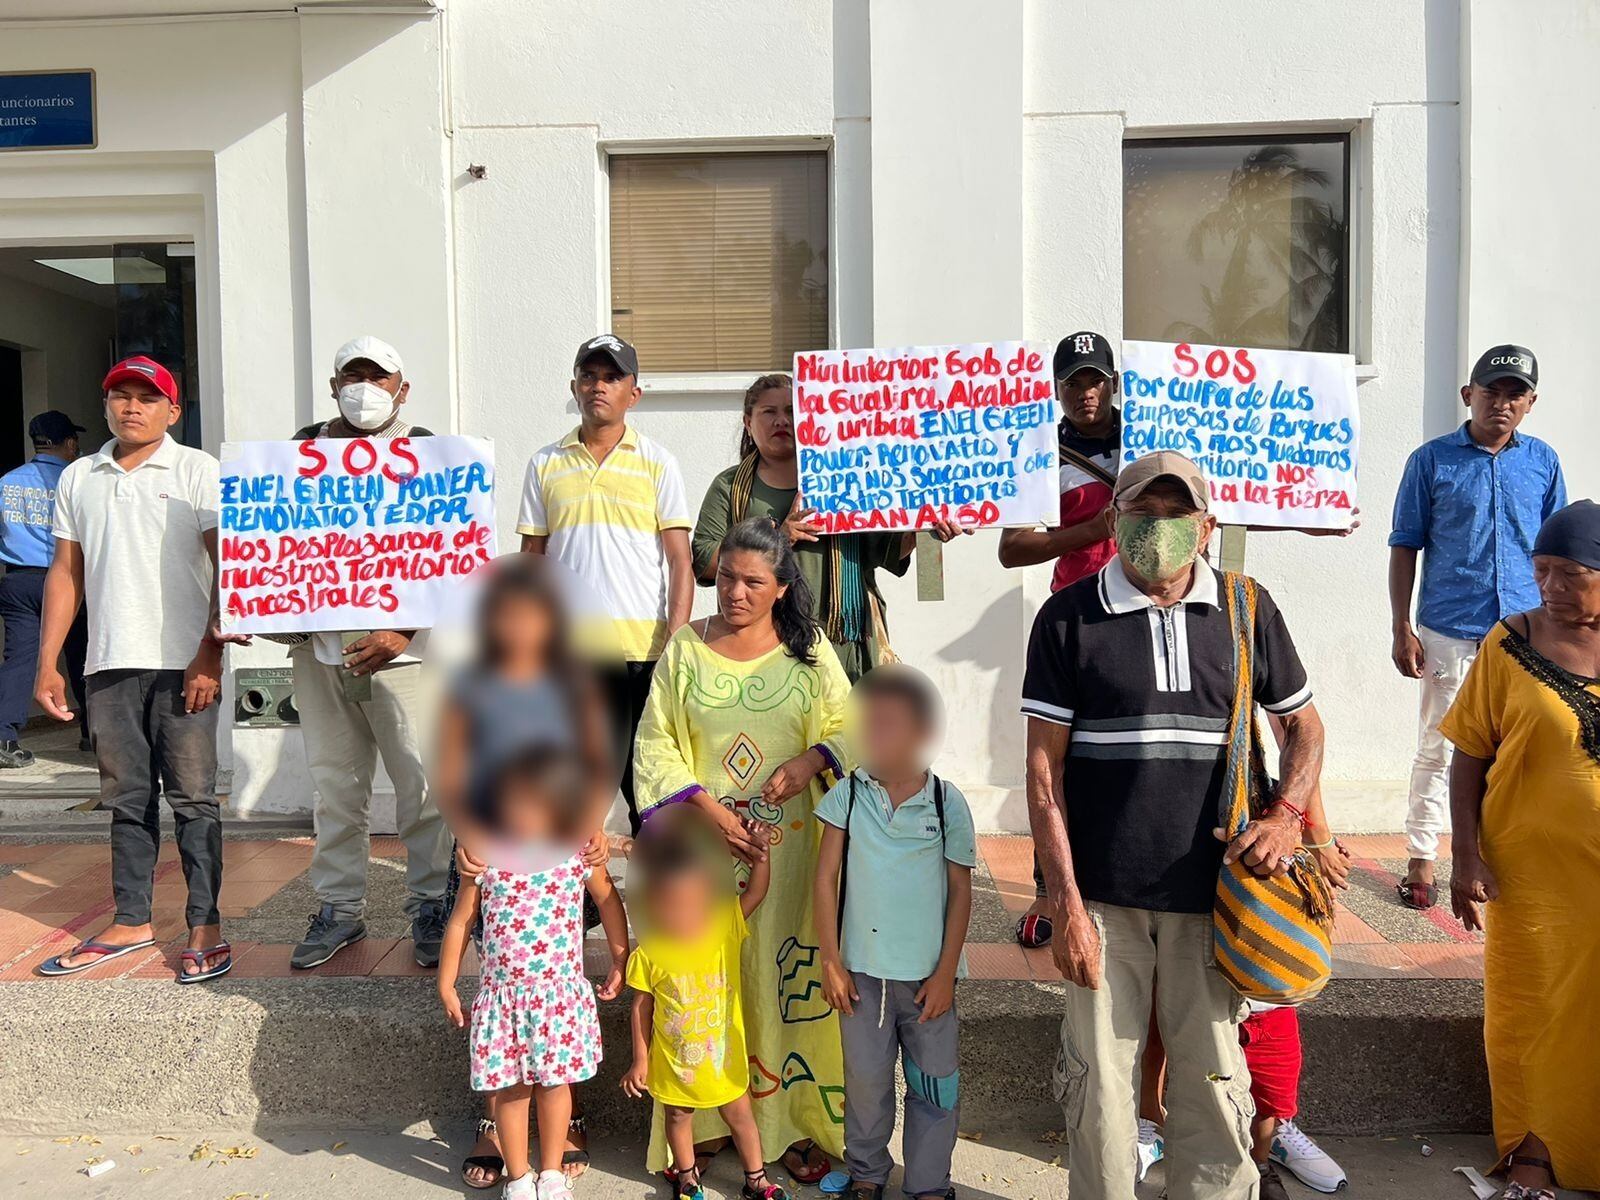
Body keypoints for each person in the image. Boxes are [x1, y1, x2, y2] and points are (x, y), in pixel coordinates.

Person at [1022, 450, 1324, 1200]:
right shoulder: (1068, 615)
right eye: (1141, 513)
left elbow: (1306, 730)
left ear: (1208, 525)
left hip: (1215, 899)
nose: (1156, 529)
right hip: (1104, 901)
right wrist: (1064, 904)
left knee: (1216, 1087)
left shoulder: (1248, 607)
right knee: (1096, 1095)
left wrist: (1288, 816)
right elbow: (1042, 773)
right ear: (1113, 518)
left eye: (1175, 514)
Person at [633, 517, 851, 1183]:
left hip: (786, 860)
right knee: (703, 984)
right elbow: (654, 742)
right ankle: (700, 1122)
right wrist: (704, 806)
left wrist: (814, 755)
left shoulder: (809, 653)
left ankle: (785, 1124)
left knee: (774, 980)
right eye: (726, 576)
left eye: (753, 581)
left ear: (783, 587)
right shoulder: (685, 649)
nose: (734, 592)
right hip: (697, 859)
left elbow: (855, 729)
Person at [34, 357, 236, 982]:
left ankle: (205, 923)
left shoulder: (200, 471)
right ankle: (132, 918)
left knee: (194, 799)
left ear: (173, 410)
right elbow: (66, 573)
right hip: (109, 664)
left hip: (184, 664)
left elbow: (228, 566)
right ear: (105, 407)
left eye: (147, 398)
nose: (131, 407)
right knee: (125, 799)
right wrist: (47, 663)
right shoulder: (79, 478)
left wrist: (211, 650)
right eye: (120, 396)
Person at [433, 555, 616, 1190]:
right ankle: (499, 1126)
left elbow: (597, 762)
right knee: (501, 995)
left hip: (559, 847)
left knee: (557, 984)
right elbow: (452, 773)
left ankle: (563, 1122)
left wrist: (591, 825)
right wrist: (467, 838)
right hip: (493, 851)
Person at [1439, 499, 1600, 1199]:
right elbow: (1469, 754)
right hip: (1528, 869)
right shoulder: (1509, 641)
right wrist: (1465, 857)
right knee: (1527, 1001)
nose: (1552, 588)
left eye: (1571, 574)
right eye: (1541, 571)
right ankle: (1531, 1149)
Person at [285, 336, 453, 971]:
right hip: (322, 652)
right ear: (333, 386)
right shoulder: (298, 452)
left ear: (401, 387)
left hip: (404, 657)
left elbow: (450, 553)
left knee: (424, 785)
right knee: (335, 788)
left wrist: (405, 630)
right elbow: (274, 539)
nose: (365, 388)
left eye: (378, 377)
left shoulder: (431, 452)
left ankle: (433, 905)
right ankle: (339, 909)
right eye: (352, 376)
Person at [1388, 344, 1565, 910]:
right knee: (1440, 745)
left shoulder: (1543, 462)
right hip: (1449, 626)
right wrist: (1401, 626)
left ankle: (1501, 848)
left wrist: (1559, 627)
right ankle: (1421, 856)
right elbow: (1404, 546)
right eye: (1492, 391)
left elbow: (1557, 548)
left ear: (1531, 402)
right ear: (1469, 395)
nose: (1502, 403)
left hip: (1523, 630)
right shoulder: (1431, 461)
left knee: (1520, 744)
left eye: (1516, 394)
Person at [518, 334, 694, 834]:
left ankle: (659, 907)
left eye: (613, 377)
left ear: (634, 393)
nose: (599, 386)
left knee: (649, 792)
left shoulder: (658, 461)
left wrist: (676, 643)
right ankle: (574, 909)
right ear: (574, 386)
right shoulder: (545, 463)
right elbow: (533, 560)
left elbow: (680, 560)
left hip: (644, 653)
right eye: (589, 376)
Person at [813, 665, 976, 1200]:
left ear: (924, 732)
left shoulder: (947, 802)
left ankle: (929, 1183)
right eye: (872, 725)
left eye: (894, 724)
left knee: (934, 1086)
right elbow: (825, 880)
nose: (881, 736)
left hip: (930, 980)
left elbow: (959, 892)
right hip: (861, 978)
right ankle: (866, 1172)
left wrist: (947, 973)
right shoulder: (848, 797)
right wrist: (831, 962)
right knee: (865, 1084)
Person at [438, 746, 629, 1200]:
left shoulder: (575, 852)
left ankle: (551, 1172)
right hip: (505, 998)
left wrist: (621, 957)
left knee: (555, 1085)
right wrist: (446, 980)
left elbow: (606, 899)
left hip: (557, 999)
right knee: (511, 1090)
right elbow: (463, 920)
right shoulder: (486, 857)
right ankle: (519, 1177)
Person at [693, 374, 963, 684]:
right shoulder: (729, 487)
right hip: (761, 644)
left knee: (843, 729)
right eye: (769, 412)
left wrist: (923, 529)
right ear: (748, 422)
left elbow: (884, 550)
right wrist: (778, 540)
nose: (782, 420)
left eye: (793, 411)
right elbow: (705, 561)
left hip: (841, 640)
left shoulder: (847, 478)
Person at [996, 333, 1119, 950]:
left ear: (1115, 382)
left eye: (1095, 379)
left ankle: (1120, 889)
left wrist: (1319, 514)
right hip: (1071, 620)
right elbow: (1010, 548)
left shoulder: (1155, 437)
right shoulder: (1041, 451)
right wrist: (1091, 530)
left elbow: (1226, 498)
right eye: (1073, 381)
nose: (1085, 391)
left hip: (1145, 619)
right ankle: (1049, 890)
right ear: (1057, 388)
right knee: (1054, 762)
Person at [621, 805, 791, 1200]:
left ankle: (756, 1179)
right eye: (670, 906)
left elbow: (756, 892)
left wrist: (762, 854)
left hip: (723, 1062)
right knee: (678, 1117)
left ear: (708, 899)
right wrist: (640, 1059)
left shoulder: (722, 927)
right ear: (654, 906)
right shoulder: (651, 952)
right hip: (674, 1066)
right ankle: (686, 1175)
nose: (682, 915)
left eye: (691, 904)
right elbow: (640, 1008)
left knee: (742, 1117)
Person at [0, 410, 90, 766]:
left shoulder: (7, 482)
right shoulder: (76, 482)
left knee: (19, 659)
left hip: (18, 580)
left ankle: (4, 737)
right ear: (69, 443)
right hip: (66, 579)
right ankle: (92, 733)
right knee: (82, 656)